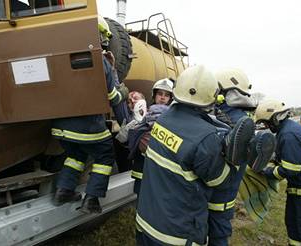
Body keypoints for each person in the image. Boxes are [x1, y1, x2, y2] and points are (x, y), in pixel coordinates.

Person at [135, 65, 255, 245]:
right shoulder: (206, 137)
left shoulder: (162, 120)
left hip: (145, 222)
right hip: (176, 235)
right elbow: (219, 181)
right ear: (212, 97)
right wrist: (235, 158)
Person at [51, 16, 129, 213]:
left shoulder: (59, 56)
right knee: (105, 156)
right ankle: (92, 199)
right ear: (102, 37)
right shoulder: (100, 60)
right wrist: (124, 92)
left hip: (60, 126)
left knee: (75, 155)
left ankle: (63, 190)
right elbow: (112, 96)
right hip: (87, 126)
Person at [207, 68, 276, 246]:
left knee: (215, 235)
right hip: (227, 192)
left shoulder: (224, 116)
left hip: (215, 192)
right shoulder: (244, 117)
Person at [255, 99, 301, 245]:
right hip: (300, 192)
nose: (266, 126)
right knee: (294, 230)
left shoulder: (289, 135)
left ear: (275, 119)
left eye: (266, 123)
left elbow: (291, 169)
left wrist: (267, 171)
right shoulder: (287, 129)